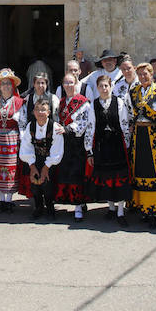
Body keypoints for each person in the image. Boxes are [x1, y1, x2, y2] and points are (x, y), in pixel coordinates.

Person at [127, 63, 156, 227]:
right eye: (139, 74)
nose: (142, 77)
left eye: (145, 73)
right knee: (139, 171)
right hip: (138, 136)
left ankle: (155, 210)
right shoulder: (134, 92)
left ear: (152, 73)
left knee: (155, 171)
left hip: (154, 135)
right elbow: (129, 113)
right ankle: (143, 207)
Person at [87, 75, 131, 226]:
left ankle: (120, 211)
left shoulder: (119, 102)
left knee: (119, 178)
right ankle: (111, 209)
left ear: (111, 87)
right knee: (106, 178)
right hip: (102, 146)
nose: (104, 89)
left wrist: (128, 145)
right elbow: (90, 127)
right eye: (101, 86)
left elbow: (125, 125)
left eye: (106, 86)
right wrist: (89, 151)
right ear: (97, 88)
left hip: (117, 145)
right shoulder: (93, 105)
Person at [0, 68, 25, 212]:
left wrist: (23, 141)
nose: (6, 86)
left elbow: (22, 124)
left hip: (12, 140)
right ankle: (1, 200)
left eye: (9, 83)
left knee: (10, 169)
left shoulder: (20, 103)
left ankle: (9, 200)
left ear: (13, 86)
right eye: (3, 84)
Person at [54, 73, 92, 221]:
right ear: (63, 85)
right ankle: (69, 201)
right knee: (65, 172)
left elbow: (84, 122)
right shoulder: (62, 102)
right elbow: (57, 119)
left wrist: (68, 129)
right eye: (66, 83)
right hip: (64, 142)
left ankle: (78, 206)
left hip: (76, 143)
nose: (69, 85)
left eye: (71, 83)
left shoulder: (83, 102)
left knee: (77, 173)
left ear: (76, 84)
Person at [19, 99, 64, 220]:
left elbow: (57, 150)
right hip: (34, 159)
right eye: (37, 109)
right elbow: (26, 147)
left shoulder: (54, 127)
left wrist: (46, 167)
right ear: (33, 112)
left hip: (50, 160)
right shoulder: (30, 126)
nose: (40, 112)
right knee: (35, 185)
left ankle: (50, 207)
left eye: (43, 110)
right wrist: (32, 166)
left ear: (49, 112)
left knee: (48, 185)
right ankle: (38, 207)